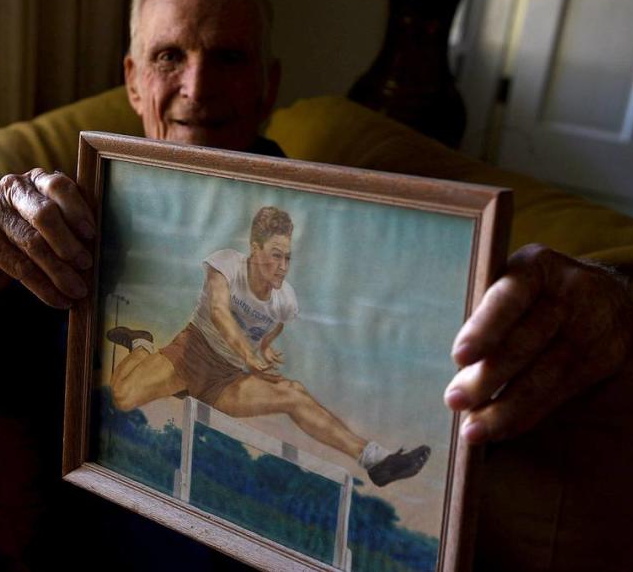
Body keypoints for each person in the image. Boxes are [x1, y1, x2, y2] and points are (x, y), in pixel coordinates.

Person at [0, 0, 633, 568]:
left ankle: (370, 460)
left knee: (286, 391)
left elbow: (465, 309)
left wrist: (603, 298)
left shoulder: (344, 221)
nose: (199, 87)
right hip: (165, 390)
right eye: (171, 56)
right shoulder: (49, 226)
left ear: (269, 86)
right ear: (133, 82)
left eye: (230, 58)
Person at [108, 205, 430, 487]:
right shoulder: (226, 265)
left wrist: (262, 348)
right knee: (122, 397)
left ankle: (375, 460)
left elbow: (272, 326)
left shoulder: (285, 300)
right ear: (254, 249)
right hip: (190, 354)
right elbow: (220, 313)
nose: (283, 266)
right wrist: (249, 353)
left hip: (226, 378)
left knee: (293, 393)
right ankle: (140, 343)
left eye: (287, 257)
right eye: (276, 255)